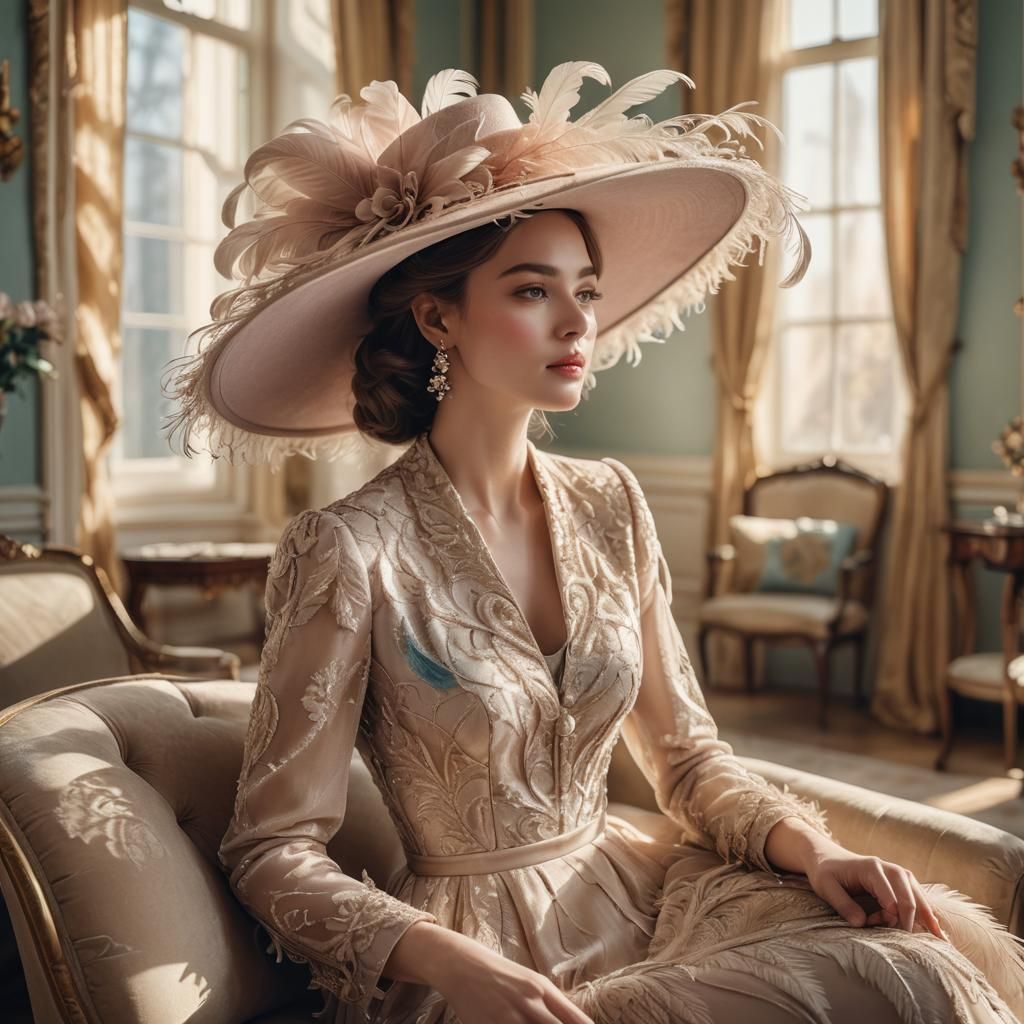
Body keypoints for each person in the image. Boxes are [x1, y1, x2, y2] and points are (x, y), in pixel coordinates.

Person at [164, 62, 1024, 1024]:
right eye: (534, 290)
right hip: (481, 957)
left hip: (647, 890)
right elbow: (270, 849)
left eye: (587, 289)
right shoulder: (346, 547)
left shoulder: (612, 500)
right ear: (437, 314)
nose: (579, 321)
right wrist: (446, 963)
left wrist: (813, 849)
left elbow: (689, 760)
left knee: (915, 969)